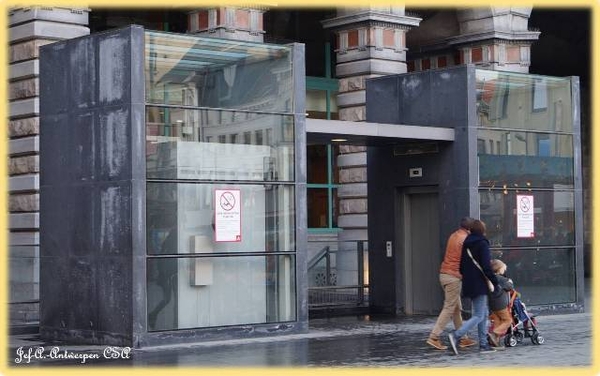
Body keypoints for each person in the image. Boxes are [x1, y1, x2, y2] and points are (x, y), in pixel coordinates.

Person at [448, 219, 499, 354]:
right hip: (479, 283)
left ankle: (483, 344)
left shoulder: (466, 243)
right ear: (482, 230)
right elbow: (487, 267)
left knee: (484, 313)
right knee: (478, 314)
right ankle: (456, 335)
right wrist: (495, 282)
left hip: (469, 282)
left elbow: (461, 266)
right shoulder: (482, 244)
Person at [426, 217, 477, 350]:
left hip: (444, 274)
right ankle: (434, 337)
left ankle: (463, 338)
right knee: (449, 307)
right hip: (453, 277)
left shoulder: (454, 235)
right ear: (470, 229)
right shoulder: (465, 239)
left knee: (456, 309)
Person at [488, 259, 514, 347]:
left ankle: (495, 341)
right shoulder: (501, 279)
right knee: (508, 320)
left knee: (497, 322)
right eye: (503, 269)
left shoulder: (490, 277)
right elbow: (510, 287)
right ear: (499, 269)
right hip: (501, 305)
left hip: (492, 305)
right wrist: (510, 282)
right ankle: (494, 334)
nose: (504, 271)